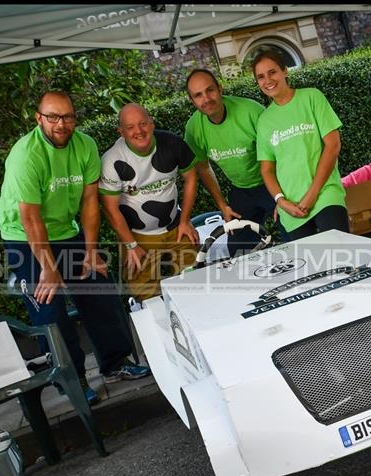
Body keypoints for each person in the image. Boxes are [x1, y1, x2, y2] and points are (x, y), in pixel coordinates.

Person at [0, 91, 150, 406]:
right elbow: (30, 217)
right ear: (39, 118)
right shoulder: (26, 155)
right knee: (50, 308)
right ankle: (71, 379)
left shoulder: (86, 146)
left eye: (67, 116)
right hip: (23, 237)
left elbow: (90, 202)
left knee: (99, 287)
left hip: (66, 230)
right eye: (53, 116)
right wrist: (50, 270)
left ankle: (115, 363)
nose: (60, 123)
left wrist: (91, 251)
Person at [99, 103, 200, 301]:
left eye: (143, 123)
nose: (139, 131)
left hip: (175, 227)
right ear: (121, 131)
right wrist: (130, 245)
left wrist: (185, 220)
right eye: (130, 127)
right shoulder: (111, 160)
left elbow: (191, 177)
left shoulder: (172, 143)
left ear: (152, 123)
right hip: (138, 236)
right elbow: (110, 209)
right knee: (145, 297)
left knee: (195, 281)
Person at [184, 68, 288, 255]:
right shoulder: (193, 128)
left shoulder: (251, 111)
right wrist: (223, 205)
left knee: (293, 232)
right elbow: (203, 167)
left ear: (220, 89)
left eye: (210, 90)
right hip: (241, 190)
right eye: (198, 95)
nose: (206, 99)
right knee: (238, 252)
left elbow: (281, 152)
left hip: (274, 182)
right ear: (192, 101)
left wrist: (281, 194)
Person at [253, 48, 349, 241]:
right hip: (291, 207)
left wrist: (312, 195)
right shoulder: (264, 121)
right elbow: (267, 170)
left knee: (342, 256)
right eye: (261, 77)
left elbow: (333, 145)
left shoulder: (312, 97)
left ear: (285, 71)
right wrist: (281, 201)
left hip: (324, 195)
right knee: (309, 267)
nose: (268, 80)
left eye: (272, 72)